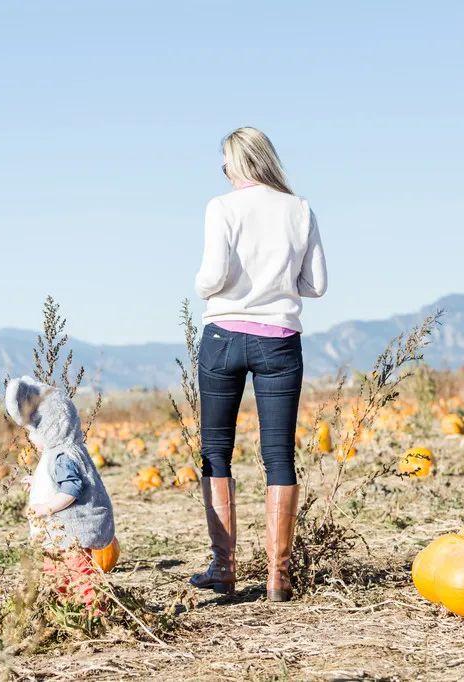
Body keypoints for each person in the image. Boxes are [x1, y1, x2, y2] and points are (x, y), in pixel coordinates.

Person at [190, 126, 328, 601]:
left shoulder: (221, 208)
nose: (223, 172)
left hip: (224, 336)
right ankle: (278, 576)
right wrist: (276, 281)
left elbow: (211, 276)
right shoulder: (300, 209)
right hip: (280, 341)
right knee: (278, 456)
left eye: (224, 163)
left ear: (236, 163)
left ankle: (223, 567)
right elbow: (316, 285)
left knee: (215, 451)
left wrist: (207, 287)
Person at [5, 376, 116, 607]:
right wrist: (35, 481)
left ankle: (94, 610)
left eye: (35, 431)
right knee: (55, 572)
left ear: (50, 427)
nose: (33, 439)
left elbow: (71, 488)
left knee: (79, 572)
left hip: (69, 533)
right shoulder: (61, 452)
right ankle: (66, 606)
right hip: (58, 536)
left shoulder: (62, 456)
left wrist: (47, 507)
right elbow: (55, 480)